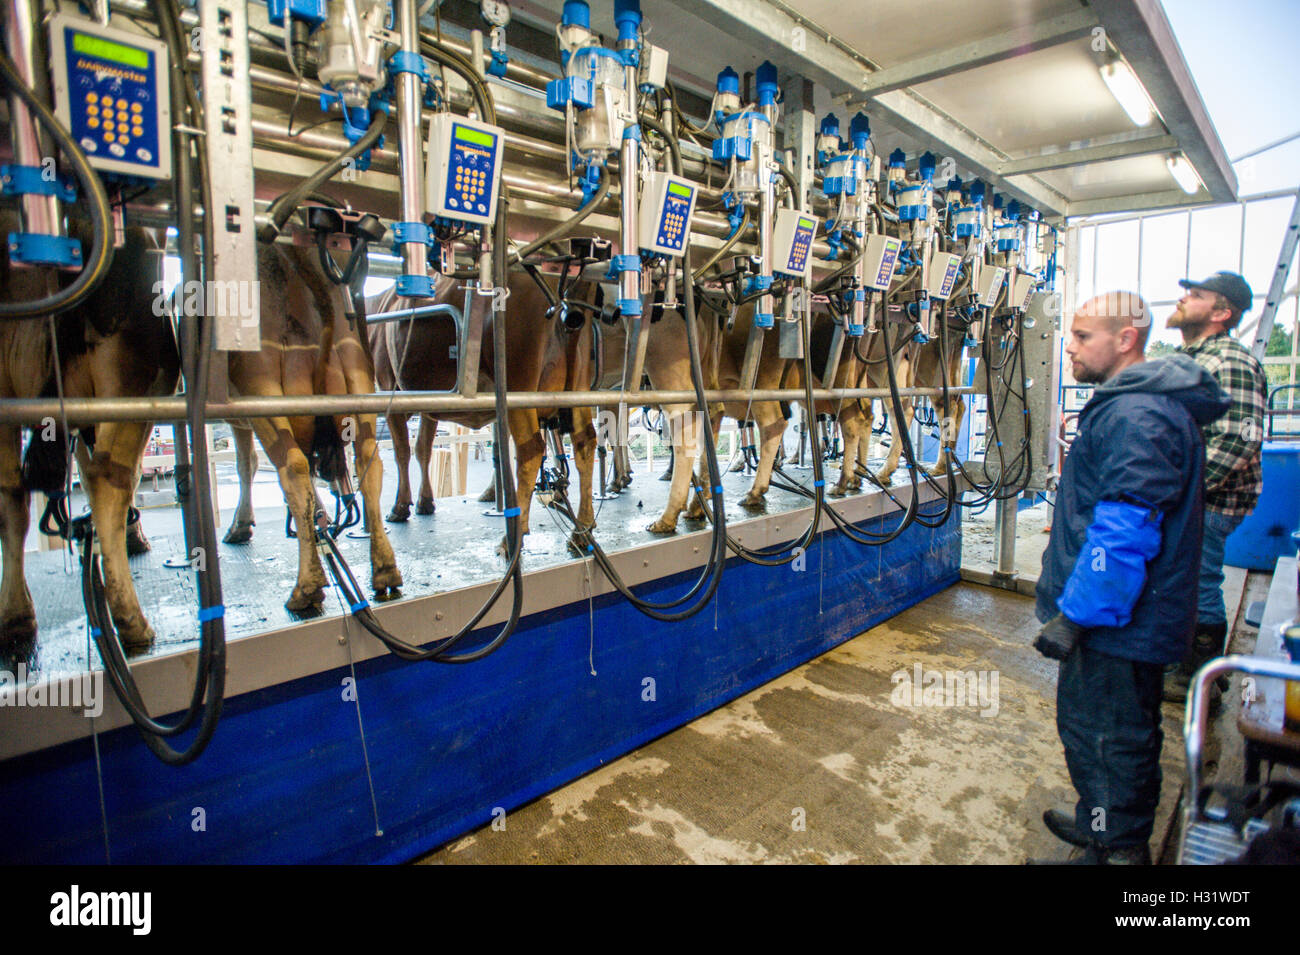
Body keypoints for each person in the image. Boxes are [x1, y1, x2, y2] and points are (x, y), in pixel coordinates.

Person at [1031, 291, 1230, 865]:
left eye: (1083, 337)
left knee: (1109, 738)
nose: (1069, 347)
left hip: (1118, 623)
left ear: (1125, 340)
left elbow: (1125, 530)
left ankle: (1117, 852)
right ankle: (1100, 824)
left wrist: (1077, 614)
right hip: (1122, 619)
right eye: (1070, 335)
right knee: (1097, 733)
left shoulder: (1138, 414)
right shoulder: (1133, 404)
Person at [1163, 272, 1268, 705]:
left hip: (1209, 498)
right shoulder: (1193, 356)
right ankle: (1194, 664)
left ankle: (1196, 675)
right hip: (1190, 495)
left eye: (1198, 295)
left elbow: (1241, 435)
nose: (1184, 298)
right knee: (1182, 578)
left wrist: (1190, 490)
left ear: (1222, 313)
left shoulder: (1229, 359)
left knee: (1199, 581)